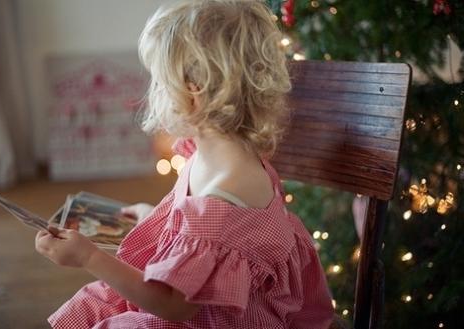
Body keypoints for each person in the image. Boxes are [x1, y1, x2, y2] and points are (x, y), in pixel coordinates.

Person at [35, 1, 334, 328]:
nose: (155, 92)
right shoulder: (224, 152)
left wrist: (89, 257)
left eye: (161, 82)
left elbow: (173, 304)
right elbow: (208, 238)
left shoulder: (224, 195)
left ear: (194, 92)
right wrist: (153, 216)